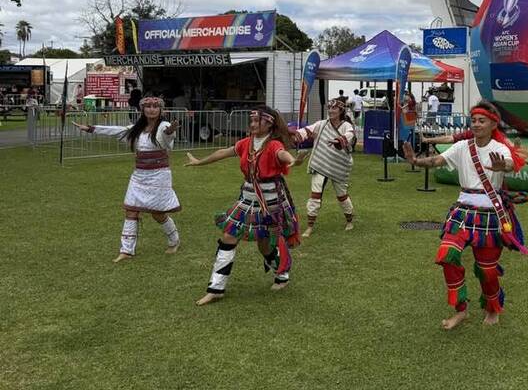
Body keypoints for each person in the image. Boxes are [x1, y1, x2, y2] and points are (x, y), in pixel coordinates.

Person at [402, 100, 528, 330]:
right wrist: (416, 161)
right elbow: (437, 160)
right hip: (462, 211)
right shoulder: (463, 146)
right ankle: (461, 310)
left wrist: (504, 167)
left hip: (491, 214)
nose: (477, 124)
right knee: (446, 255)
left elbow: (509, 163)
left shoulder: (499, 149)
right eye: (474, 121)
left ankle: (492, 308)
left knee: (487, 270)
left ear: (493, 124)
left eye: (482, 121)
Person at [186, 107, 301, 305]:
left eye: (257, 120)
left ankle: (281, 274)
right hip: (247, 198)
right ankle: (216, 288)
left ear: (269, 124)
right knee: (229, 236)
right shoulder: (246, 143)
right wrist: (199, 162)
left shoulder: (273, 145)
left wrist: (293, 161)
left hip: (269, 200)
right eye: (252, 120)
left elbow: (282, 154)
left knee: (265, 244)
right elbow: (224, 152)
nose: (253, 124)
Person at [72, 96, 182, 262]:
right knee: (131, 210)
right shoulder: (137, 128)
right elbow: (116, 130)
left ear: (161, 110)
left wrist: (170, 132)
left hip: (159, 176)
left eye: (155, 106)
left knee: (158, 213)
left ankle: (174, 240)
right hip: (139, 175)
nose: (151, 109)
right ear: (142, 109)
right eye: (148, 106)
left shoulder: (164, 126)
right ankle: (126, 250)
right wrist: (90, 128)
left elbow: (167, 137)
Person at [293, 99, 356, 237]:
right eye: (329, 108)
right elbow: (306, 131)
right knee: (315, 194)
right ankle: (309, 226)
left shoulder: (346, 125)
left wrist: (339, 140)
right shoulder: (321, 124)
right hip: (320, 164)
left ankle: (349, 220)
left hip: (339, 165)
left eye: (334, 108)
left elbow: (350, 135)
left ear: (340, 111)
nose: (331, 111)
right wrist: (294, 133)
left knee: (342, 196)